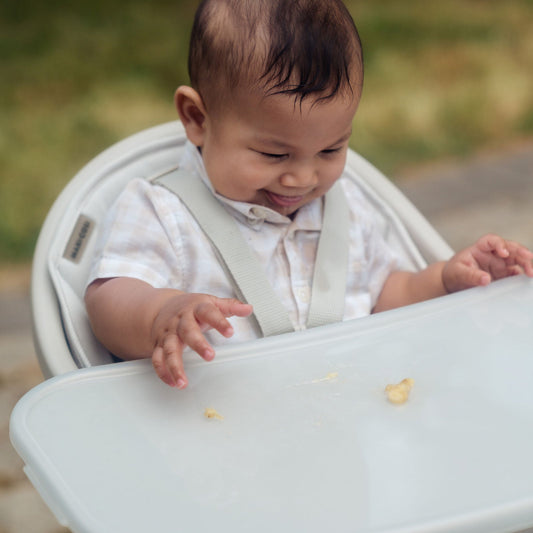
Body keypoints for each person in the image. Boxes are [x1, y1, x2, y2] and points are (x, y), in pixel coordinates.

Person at [85, 0, 533, 389]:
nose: (302, 179)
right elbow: (107, 301)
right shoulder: (160, 210)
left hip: (344, 421)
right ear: (197, 118)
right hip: (215, 435)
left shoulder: (347, 206)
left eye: (331, 149)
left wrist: (445, 281)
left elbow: (384, 294)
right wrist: (161, 313)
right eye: (274, 154)